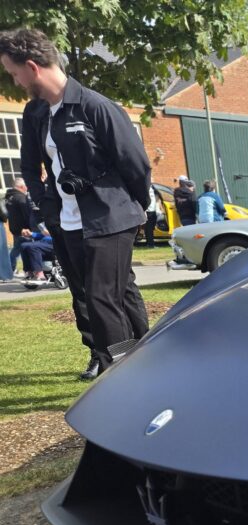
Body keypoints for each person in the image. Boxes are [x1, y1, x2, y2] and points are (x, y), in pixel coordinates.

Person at [2, 27, 150, 379]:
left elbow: (136, 164)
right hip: (66, 222)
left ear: (33, 66)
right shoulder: (35, 112)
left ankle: (123, 370)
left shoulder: (95, 106)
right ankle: (138, 359)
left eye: (13, 71)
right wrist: (46, 205)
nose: (14, 79)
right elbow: (30, 165)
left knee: (102, 298)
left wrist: (136, 208)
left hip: (110, 216)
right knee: (106, 294)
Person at [5, 176, 33, 276]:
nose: (26, 188)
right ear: (21, 187)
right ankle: (30, 271)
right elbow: (27, 215)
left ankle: (9, 270)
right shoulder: (21, 198)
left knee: (16, 249)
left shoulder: (9, 197)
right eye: (25, 186)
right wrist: (31, 227)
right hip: (24, 229)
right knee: (27, 249)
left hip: (15, 228)